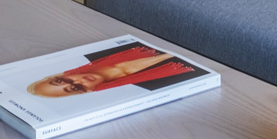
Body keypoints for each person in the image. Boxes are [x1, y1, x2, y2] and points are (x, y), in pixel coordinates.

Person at [27, 43, 197, 98]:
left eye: (61, 81)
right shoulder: (149, 87)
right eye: (74, 88)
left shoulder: (101, 51)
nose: (79, 81)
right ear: (87, 92)